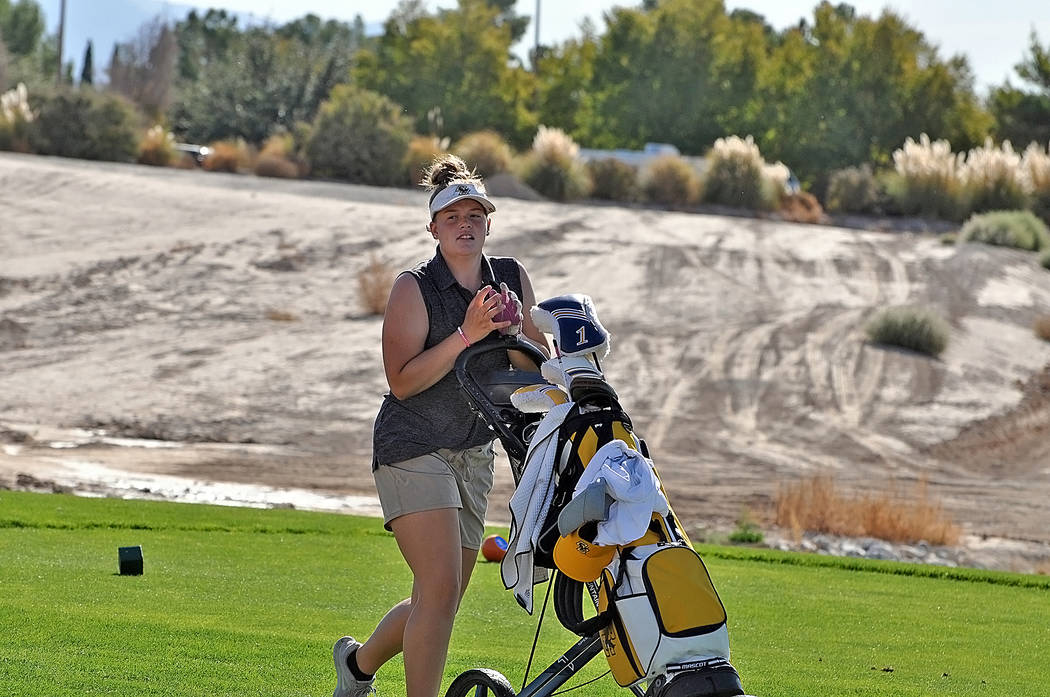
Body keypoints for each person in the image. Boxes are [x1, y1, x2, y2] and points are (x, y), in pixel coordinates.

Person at [332, 155, 549, 697]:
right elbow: (403, 381)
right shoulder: (414, 288)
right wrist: (468, 335)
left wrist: (519, 336)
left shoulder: (511, 278)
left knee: (441, 600)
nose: (466, 224)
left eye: (476, 215)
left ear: (489, 225)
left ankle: (358, 666)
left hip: (475, 453)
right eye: (453, 217)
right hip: (412, 445)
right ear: (433, 228)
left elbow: (536, 374)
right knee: (439, 586)